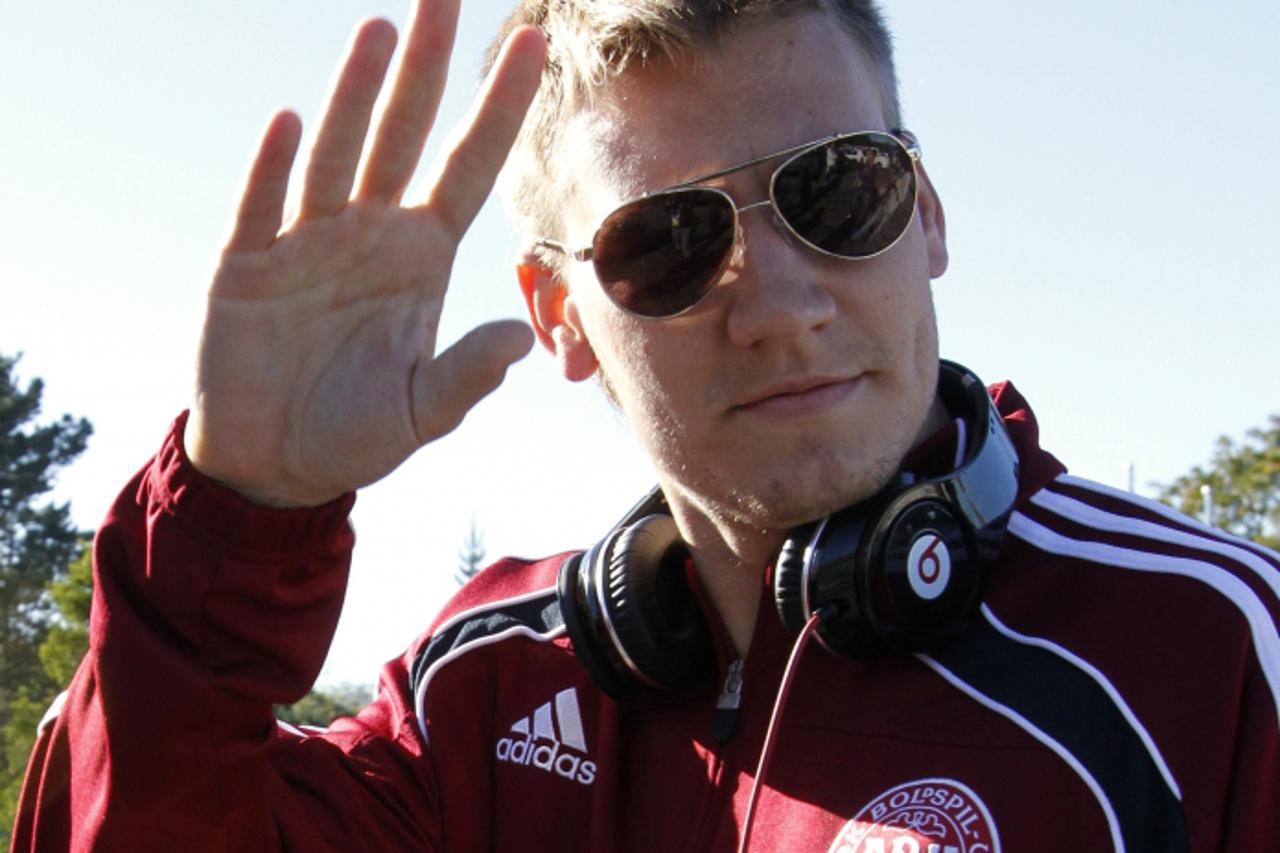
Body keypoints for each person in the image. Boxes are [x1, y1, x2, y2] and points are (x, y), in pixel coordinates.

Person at [11, 0, 1279, 850]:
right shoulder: (479, 699)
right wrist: (240, 513)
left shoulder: (1224, 654)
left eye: (837, 189)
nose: (778, 307)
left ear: (928, 213)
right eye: (666, 242)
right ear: (558, 314)